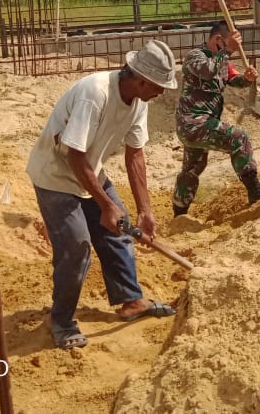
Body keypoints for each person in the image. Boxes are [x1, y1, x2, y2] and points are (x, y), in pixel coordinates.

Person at [26, 40, 179, 350]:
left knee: (118, 232)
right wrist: (106, 205)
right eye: (159, 86)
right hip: (55, 175)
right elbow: (74, 156)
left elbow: (135, 155)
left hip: (89, 171)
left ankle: (130, 301)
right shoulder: (95, 93)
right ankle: (61, 319)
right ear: (140, 79)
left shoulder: (138, 103)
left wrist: (145, 211)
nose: (161, 92)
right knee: (76, 245)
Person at [172, 20, 260, 215]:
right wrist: (228, 52)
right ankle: (255, 191)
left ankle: (179, 212)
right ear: (218, 40)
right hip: (193, 123)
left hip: (203, 125)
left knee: (192, 169)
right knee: (238, 138)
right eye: (228, 44)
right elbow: (208, 71)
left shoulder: (222, 61)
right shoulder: (195, 57)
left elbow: (234, 80)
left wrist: (247, 78)